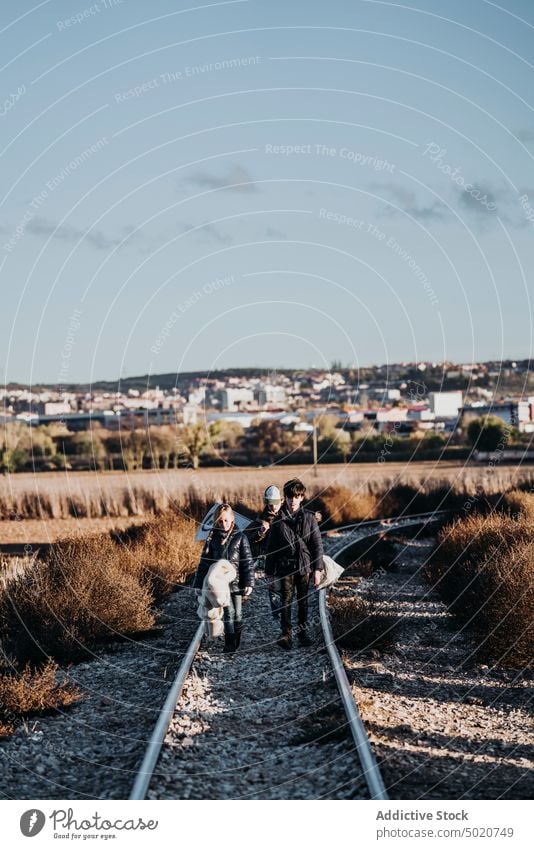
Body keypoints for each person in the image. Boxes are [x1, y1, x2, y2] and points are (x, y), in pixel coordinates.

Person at [265, 478, 324, 650]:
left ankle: (302, 633)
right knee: (286, 601)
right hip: (284, 567)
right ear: (285, 498)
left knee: (303, 602)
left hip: (304, 566)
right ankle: (286, 634)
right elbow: (271, 548)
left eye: (296, 497)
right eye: (290, 497)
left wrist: (318, 569)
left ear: (302, 497)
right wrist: (269, 573)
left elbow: (317, 545)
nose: (292, 500)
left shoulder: (309, 518)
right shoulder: (277, 521)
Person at [193, 503, 254, 653]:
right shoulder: (212, 539)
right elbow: (204, 563)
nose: (224, 524)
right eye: (220, 521)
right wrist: (198, 584)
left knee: (238, 614)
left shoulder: (241, 537)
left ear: (232, 519)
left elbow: (247, 562)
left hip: (237, 583)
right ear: (216, 521)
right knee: (228, 613)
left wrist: (249, 582)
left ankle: (236, 636)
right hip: (220, 586)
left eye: (226, 520)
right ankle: (229, 643)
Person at [246, 485, 283, 619]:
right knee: (273, 587)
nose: (273, 507)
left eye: (275, 504)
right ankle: (277, 612)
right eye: (270, 504)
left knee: (286, 587)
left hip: (287, 558)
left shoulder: (288, 514)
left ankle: (285, 611)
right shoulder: (261, 519)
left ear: (282, 501)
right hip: (270, 559)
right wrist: (261, 532)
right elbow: (249, 540)